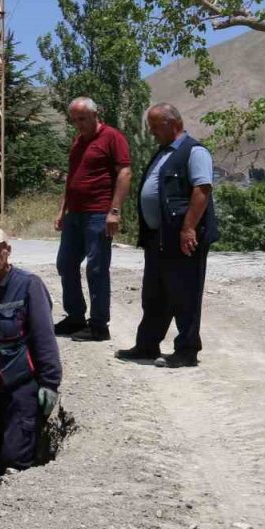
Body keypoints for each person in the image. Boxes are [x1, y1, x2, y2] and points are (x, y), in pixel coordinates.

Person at [0, 226, 63, 495]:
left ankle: (15, 508)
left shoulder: (29, 286)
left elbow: (43, 336)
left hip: (21, 389)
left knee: (16, 457)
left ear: (7, 250)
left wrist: (50, 382)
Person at [117, 102, 218, 368]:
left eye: (155, 127)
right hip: (158, 237)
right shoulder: (164, 152)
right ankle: (146, 345)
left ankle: (187, 350)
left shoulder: (194, 152)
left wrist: (188, 228)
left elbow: (202, 190)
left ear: (173, 124)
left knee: (185, 295)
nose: (151, 132)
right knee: (154, 294)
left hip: (182, 238)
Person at [52, 96, 132, 343]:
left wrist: (114, 211)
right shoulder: (78, 142)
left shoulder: (112, 137)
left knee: (96, 269)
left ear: (95, 115)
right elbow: (72, 177)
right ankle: (75, 316)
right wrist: (62, 210)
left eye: (83, 119)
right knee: (65, 264)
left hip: (98, 213)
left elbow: (125, 173)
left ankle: (98, 325)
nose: (79, 124)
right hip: (74, 215)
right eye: (75, 120)